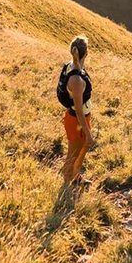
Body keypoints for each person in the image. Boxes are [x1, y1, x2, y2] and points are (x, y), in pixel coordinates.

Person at [57, 34, 94, 186]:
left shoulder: (70, 65)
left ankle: (76, 176)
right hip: (77, 120)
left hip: (78, 118)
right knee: (73, 153)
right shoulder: (77, 80)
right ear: (86, 53)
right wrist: (87, 132)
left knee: (80, 150)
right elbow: (78, 110)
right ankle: (66, 186)